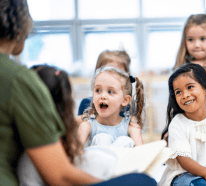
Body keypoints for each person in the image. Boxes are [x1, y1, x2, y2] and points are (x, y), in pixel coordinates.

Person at [0, 1, 156, 185]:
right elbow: (61, 176)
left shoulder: (128, 116)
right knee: (142, 181)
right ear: (19, 21)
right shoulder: (18, 79)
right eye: (99, 88)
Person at [78, 65, 145, 148]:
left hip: (124, 160)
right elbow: (75, 153)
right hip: (96, 160)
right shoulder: (87, 125)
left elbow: (141, 153)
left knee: (125, 141)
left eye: (110, 92)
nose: (102, 96)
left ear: (125, 100)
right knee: (102, 138)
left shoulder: (131, 126)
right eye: (98, 90)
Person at [76, 50, 131, 124]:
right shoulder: (86, 104)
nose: (111, 76)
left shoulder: (126, 107)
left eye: (118, 72)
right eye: (107, 71)